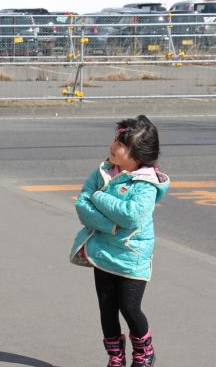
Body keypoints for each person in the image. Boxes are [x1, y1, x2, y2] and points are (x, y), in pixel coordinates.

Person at [70, 115, 169, 367]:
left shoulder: (146, 183)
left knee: (129, 307)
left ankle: (144, 352)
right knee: (107, 307)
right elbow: (82, 205)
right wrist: (110, 224)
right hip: (103, 251)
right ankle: (115, 357)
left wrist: (99, 198)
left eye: (120, 144)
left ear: (136, 155)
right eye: (114, 139)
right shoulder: (103, 171)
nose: (112, 145)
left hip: (131, 255)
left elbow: (131, 215)